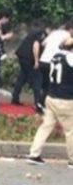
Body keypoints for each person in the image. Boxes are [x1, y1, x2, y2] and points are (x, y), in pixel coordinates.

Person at [26, 36, 73, 168]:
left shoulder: (56, 56)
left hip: (51, 96)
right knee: (70, 130)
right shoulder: (71, 58)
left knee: (46, 126)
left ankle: (34, 154)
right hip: (66, 99)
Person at [12, 22, 49, 113]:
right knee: (37, 79)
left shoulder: (36, 31)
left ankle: (15, 98)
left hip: (22, 56)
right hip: (28, 58)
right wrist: (37, 61)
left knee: (22, 77)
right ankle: (38, 103)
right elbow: (35, 46)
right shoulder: (42, 33)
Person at [38, 23, 73, 105]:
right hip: (53, 62)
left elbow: (43, 43)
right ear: (71, 29)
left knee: (46, 84)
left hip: (43, 60)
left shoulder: (55, 32)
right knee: (53, 84)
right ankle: (42, 103)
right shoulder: (68, 36)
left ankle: (40, 102)